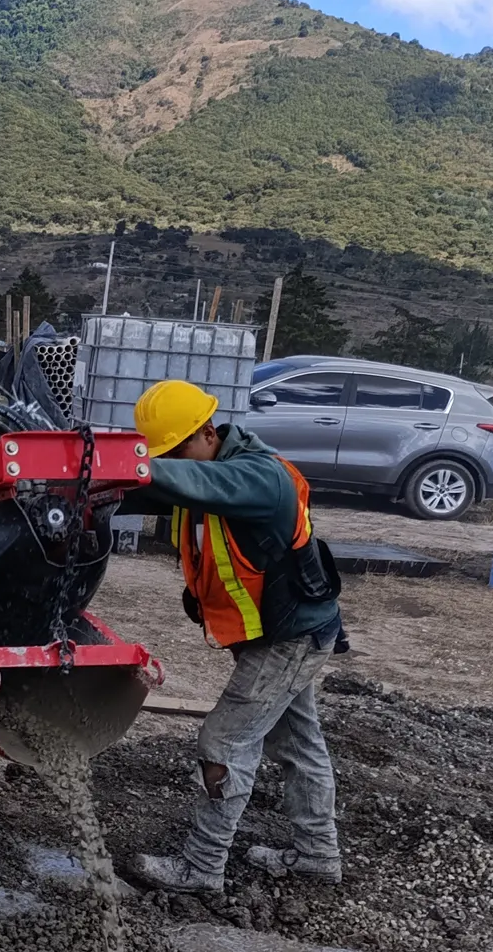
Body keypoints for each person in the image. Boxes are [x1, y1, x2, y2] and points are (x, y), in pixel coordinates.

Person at [123, 379, 344, 892]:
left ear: (206, 433)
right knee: (299, 742)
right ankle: (318, 856)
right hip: (285, 634)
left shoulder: (257, 478)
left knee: (223, 740)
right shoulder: (211, 468)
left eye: (175, 452)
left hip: (290, 640)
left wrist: (129, 466)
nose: (171, 464)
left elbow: (176, 481)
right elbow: (155, 488)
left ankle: (201, 869)